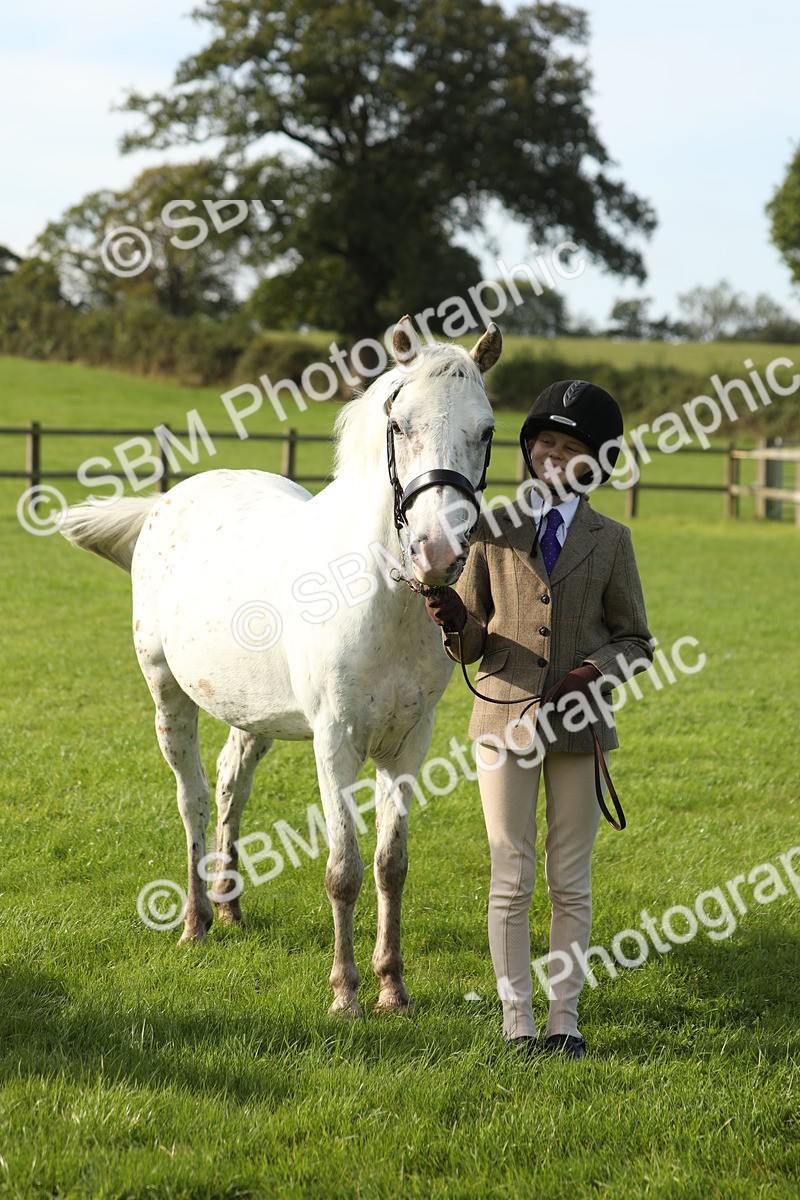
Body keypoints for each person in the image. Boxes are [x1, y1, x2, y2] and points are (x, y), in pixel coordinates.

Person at [425, 379, 653, 1060]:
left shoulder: (611, 540)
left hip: (579, 727)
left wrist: (593, 672)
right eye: (545, 442)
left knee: (570, 878)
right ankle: (517, 1018)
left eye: (572, 446)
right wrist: (454, 621)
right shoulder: (491, 529)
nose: (555, 455)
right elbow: (473, 645)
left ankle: (566, 1019)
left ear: (596, 461)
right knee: (511, 872)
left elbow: (637, 639)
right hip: (501, 719)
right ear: (528, 450)